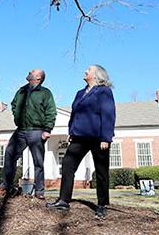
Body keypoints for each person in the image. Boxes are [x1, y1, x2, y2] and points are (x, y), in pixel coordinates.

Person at [47, 65, 116, 219]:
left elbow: (108, 114)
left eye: (89, 69)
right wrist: (71, 131)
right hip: (79, 137)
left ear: (97, 75)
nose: (85, 71)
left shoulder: (104, 91)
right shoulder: (80, 93)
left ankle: (102, 205)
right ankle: (64, 200)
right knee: (67, 164)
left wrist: (106, 137)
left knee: (101, 171)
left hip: (98, 137)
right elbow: (75, 114)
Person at [0, 69, 57, 199]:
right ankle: (6, 185)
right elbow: (14, 104)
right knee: (9, 154)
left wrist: (47, 129)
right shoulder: (21, 91)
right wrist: (16, 115)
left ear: (38, 78)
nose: (29, 72)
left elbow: (51, 111)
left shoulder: (45, 93)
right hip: (21, 130)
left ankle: (39, 191)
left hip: (37, 131)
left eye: (32, 72)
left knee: (38, 162)